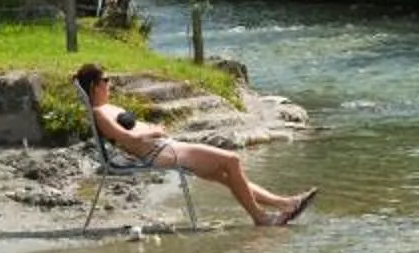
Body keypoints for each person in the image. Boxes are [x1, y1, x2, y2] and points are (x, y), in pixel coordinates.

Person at [75, 62, 315, 226]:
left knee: (227, 175)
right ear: (95, 85)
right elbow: (127, 138)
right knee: (232, 160)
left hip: (165, 147)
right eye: (106, 80)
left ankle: (286, 204)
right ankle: (261, 218)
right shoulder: (100, 113)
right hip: (160, 153)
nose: (110, 84)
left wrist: (152, 129)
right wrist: (154, 131)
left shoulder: (108, 107)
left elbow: (133, 131)